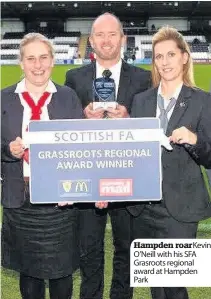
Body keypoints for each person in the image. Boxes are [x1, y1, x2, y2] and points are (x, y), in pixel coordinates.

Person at [65, 12, 151, 299]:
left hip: (127, 176)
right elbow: (65, 128)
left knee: (127, 247)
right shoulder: (73, 78)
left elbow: (150, 126)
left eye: (112, 34)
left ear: (123, 39)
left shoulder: (142, 78)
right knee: (89, 248)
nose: (106, 40)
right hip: (88, 178)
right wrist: (81, 117)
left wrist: (130, 117)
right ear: (91, 41)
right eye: (99, 35)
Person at [130, 26, 211, 299]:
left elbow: (210, 156)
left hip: (182, 206)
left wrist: (194, 139)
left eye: (170, 55)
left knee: (174, 284)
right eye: (158, 56)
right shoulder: (140, 102)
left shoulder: (202, 101)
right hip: (145, 206)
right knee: (156, 283)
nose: (164, 62)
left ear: (184, 57)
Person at [1, 33, 84, 299]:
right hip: (20, 199)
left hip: (61, 200)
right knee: (30, 275)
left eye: (43, 58)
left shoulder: (68, 98)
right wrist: (7, 150)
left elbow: (81, 151)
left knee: (62, 273)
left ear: (52, 61)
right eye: (31, 59)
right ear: (21, 63)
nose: (38, 65)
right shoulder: (3, 99)